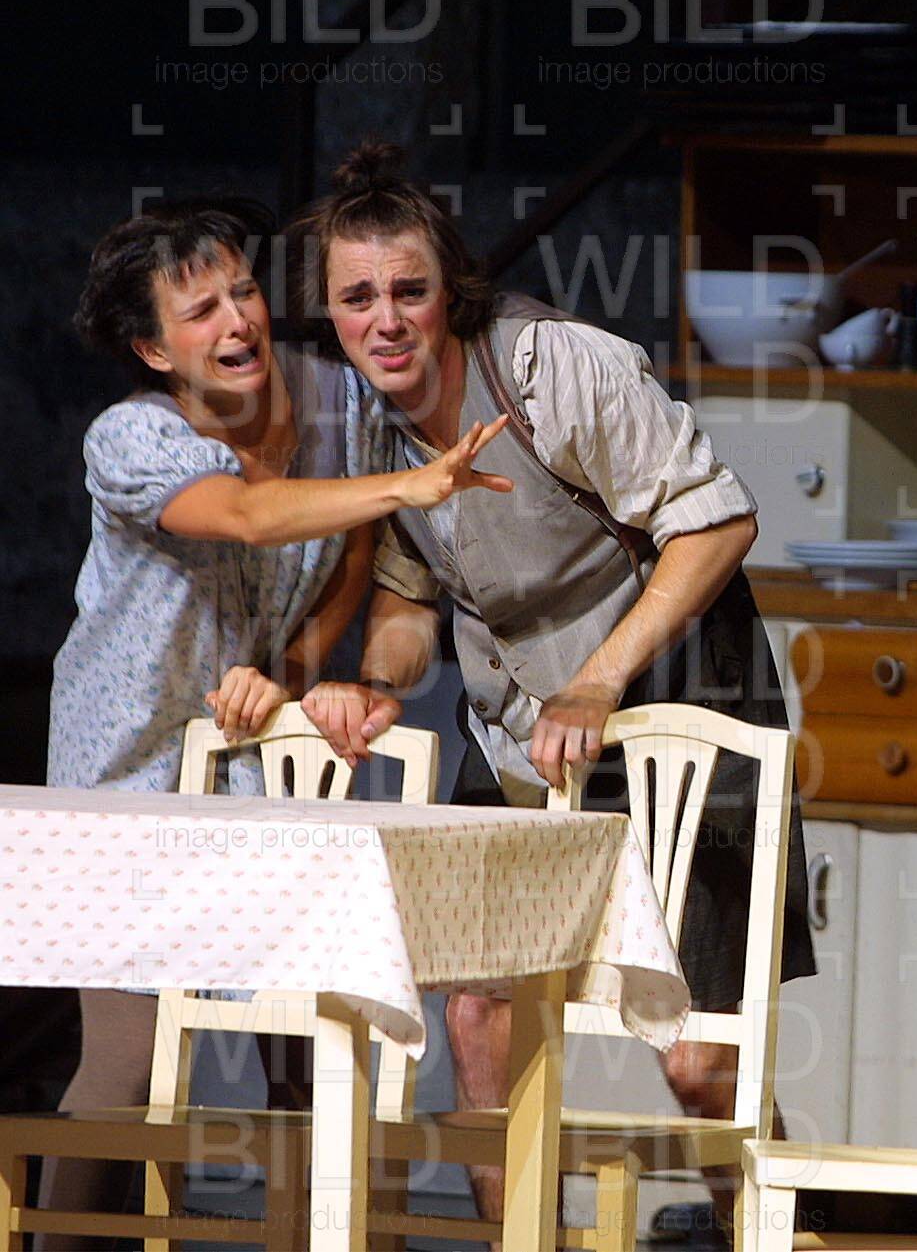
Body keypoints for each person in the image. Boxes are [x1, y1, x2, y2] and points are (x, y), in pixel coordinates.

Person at [290, 142, 816, 1227]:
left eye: (407, 291)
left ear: (450, 290)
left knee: (697, 1059)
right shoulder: (371, 424)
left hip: (678, 707)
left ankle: (779, 1235)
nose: (385, 320)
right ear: (331, 312)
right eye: (357, 298)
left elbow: (717, 521)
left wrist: (598, 681)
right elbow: (407, 599)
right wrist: (378, 684)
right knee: (478, 1010)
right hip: (519, 732)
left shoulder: (550, 368)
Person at [41, 197, 509, 1242]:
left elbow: (351, 554)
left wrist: (287, 673)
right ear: (154, 349)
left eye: (243, 291)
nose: (236, 320)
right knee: (131, 1061)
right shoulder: (133, 436)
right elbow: (250, 517)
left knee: (313, 1032)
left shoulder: (337, 406)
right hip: (124, 778)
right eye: (200, 310)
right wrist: (410, 483)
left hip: (248, 755)